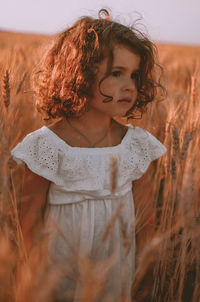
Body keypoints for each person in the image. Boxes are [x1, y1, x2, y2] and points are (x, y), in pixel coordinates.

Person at [11, 9, 166, 302]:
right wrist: (32, 283)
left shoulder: (136, 146)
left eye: (134, 75)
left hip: (117, 272)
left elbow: (146, 223)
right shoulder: (46, 146)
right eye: (117, 73)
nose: (130, 86)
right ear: (79, 72)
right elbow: (28, 224)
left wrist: (145, 278)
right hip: (59, 275)